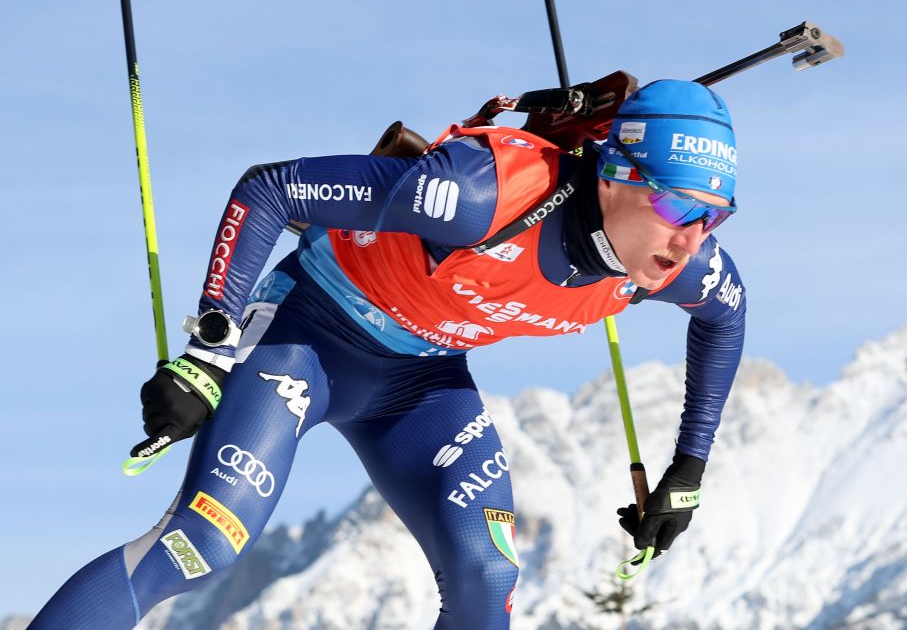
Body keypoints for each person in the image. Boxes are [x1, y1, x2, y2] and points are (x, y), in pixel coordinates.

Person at [29, 79, 746, 629]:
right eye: (679, 207)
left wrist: (688, 467)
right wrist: (206, 351)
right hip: (306, 335)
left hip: (423, 382)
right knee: (203, 542)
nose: (692, 239)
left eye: (714, 217)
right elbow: (270, 190)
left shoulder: (670, 260)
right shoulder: (479, 195)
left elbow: (726, 318)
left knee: (486, 578)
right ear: (614, 174)